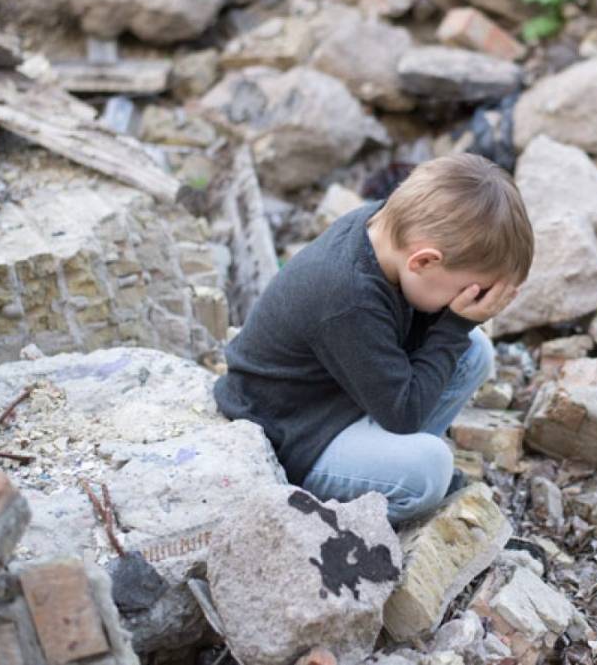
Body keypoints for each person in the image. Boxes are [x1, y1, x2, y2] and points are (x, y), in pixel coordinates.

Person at [214, 153, 535, 523]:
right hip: (289, 434)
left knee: (474, 352)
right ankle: (344, 511)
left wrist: (458, 323)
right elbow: (405, 414)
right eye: (465, 290)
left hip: (334, 398)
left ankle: (386, 460)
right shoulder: (347, 295)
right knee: (428, 470)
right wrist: (455, 324)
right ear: (424, 261)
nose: (466, 302)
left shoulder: (386, 230)